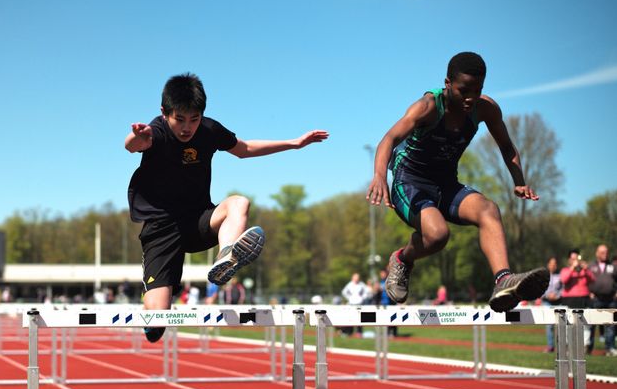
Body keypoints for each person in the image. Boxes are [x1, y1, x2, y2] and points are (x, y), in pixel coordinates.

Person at [125, 73, 328, 343]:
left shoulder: (209, 130)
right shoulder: (157, 131)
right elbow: (134, 145)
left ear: (202, 116)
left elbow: (244, 148)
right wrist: (137, 137)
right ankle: (151, 299)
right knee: (156, 323)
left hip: (198, 220)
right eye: (180, 120)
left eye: (194, 119)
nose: (187, 128)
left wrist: (293, 143)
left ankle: (227, 255)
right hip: (161, 228)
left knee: (238, 202)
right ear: (164, 113)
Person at [366, 51, 549, 312]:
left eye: (478, 89)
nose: (470, 98)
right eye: (464, 90)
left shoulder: (485, 108)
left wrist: (519, 180)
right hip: (409, 183)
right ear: (448, 83)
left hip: (446, 184)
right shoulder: (427, 107)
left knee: (489, 209)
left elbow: (507, 146)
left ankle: (503, 280)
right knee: (438, 235)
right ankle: (403, 259)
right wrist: (379, 176)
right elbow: (389, 139)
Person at [560, 249, 595, 353]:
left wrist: (587, 269)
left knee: (585, 323)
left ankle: (584, 346)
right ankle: (568, 347)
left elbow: (593, 279)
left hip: (584, 299)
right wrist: (573, 268)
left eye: (577, 258)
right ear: (569, 260)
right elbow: (564, 280)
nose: (576, 261)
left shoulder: (584, 271)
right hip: (570, 300)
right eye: (573, 259)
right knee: (568, 324)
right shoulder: (566, 270)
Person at [587, 244, 617, 356]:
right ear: (597, 253)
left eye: (606, 252)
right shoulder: (591, 266)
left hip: (611, 300)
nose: (605, 254)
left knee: (611, 325)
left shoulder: (613, 266)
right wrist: (589, 292)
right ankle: (589, 348)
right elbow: (585, 280)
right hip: (596, 299)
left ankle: (610, 348)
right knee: (591, 325)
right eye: (603, 252)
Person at [541, 256, 562, 352]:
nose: (553, 266)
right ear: (548, 265)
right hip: (546, 302)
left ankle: (562, 347)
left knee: (562, 324)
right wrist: (547, 295)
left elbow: (564, 289)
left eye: (555, 264)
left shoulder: (560, 276)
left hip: (559, 302)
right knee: (549, 325)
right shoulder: (543, 276)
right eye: (551, 264)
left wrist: (557, 295)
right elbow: (539, 289)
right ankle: (550, 346)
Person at [341, 272, 369, 336]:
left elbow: (367, 291)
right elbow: (344, 292)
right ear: (353, 278)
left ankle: (359, 332)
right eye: (355, 278)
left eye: (357, 278)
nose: (356, 279)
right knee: (351, 318)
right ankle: (350, 332)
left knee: (360, 318)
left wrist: (362, 297)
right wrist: (349, 298)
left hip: (359, 303)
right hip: (352, 303)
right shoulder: (350, 284)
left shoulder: (361, 284)